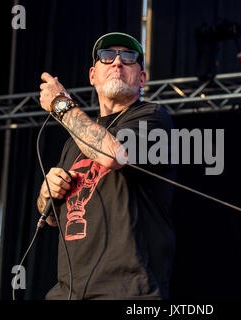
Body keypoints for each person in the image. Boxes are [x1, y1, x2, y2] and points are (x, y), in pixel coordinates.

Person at [37, 32, 176, 300]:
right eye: (107, 56)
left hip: (127, 290)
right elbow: (51, 218)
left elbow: (112, 154)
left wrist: (60, 104)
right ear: (92, 75)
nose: (117, 63)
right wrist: (46, 193)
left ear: (142, 79)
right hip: (67, 292)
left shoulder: (153, 118)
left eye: (128, 57)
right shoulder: (73, 141)